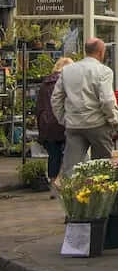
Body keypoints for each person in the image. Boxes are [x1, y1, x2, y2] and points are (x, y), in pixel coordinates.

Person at [52, 38, 118, 177]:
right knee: (102, 168)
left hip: (74, 124)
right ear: (101, 52)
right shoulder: (104, 71)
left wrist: (63, 119)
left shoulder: (67, 70)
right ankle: (101, 197)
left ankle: (75, 197)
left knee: (72, 169)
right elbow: (107, 100)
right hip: (98, 123)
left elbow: (56, 98)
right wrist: (113, 120)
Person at [36, 57, 72, 185]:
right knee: (68, 154)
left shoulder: (45, 83)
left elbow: (39, 106)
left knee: (53, 155)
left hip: (47, 124)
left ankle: (52, 183)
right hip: (62, 122)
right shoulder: (67, 82)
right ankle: (62, 182)